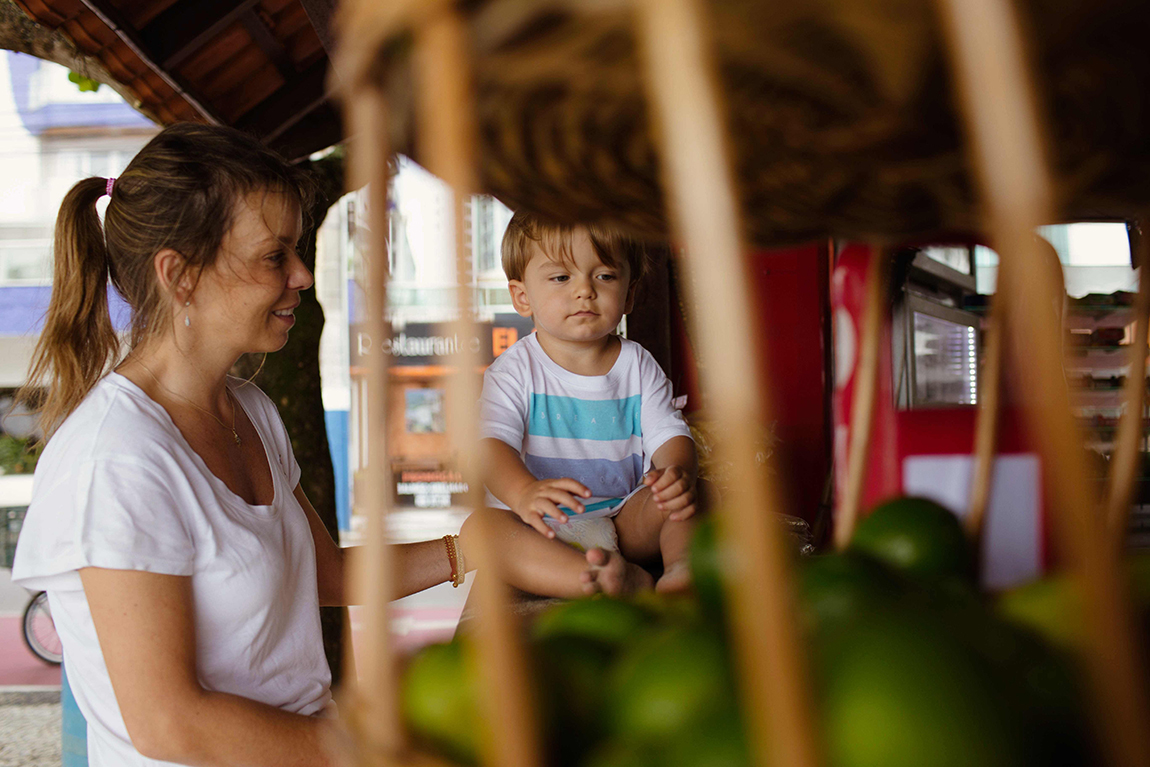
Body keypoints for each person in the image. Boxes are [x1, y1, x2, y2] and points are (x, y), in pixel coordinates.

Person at [10, 123, 467, 767]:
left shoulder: (249, 410)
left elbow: (325, 573)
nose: (302, 275)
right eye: (274, 255)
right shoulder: (116, 456)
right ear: (180, 275)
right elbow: (171, 724)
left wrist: (469, 549)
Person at [463, 212, 700, 598]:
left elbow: (670, 433)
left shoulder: (637, 364)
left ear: (630, 294)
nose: (585, 291)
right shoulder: (513, 371)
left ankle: (680, 570)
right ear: (522, 297)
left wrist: (676, 473)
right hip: (543, 528)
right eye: (561, 277)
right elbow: (491, 447)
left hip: (625, 519)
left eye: (604, 276)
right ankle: (597, 578)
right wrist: (523, 494)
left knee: (698, 492)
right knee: (481, 531)